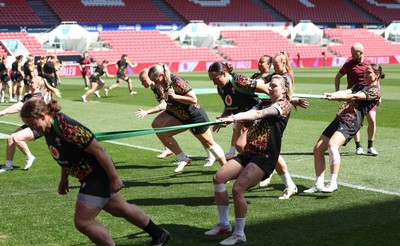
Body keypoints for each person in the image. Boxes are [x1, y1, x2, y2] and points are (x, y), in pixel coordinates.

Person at [19, 98, 171, 246]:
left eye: (33, 124)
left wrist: (114, 178)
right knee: (120, 209)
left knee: (83, 222)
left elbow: (99, 151)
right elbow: (64, 154)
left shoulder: (66, 128)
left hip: (97, 174)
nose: (33, 128)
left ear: (43, 116)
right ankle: (159, 234)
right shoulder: (48, 128)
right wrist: (63, 179)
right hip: (89, 175)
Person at [205, 75, 292, 245]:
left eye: (274, 85)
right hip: (249, 153)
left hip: (265, 157)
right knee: (218, 178)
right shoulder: (262, 102)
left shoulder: (283, 105)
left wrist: (235, 118)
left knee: (238, 189)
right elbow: (249, 113)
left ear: (284, 90)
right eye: (269, 84)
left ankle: (239, 234)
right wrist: (229, 118)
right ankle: (224, 225)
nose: (270, 87)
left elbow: (259, 114)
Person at [304, 63, 383, 193]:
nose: (365, 74)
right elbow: (347, 91)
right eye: (365, 72)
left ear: (377, 75)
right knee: (318, 149)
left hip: (351, 122)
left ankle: (333, 183)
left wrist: (338, 97)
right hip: (340, 118)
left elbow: (355, 96)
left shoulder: (375, 91)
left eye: (369, 72)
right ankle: (319, 184)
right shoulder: (359, 85)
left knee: (332, 144)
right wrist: (333, 94)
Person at [147, 63, 226, 173]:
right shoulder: (162, 84)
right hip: (181, 117)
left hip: (194, 116)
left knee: (209, 143)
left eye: (156, 79)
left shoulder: (177, 81)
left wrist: (175, 96)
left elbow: (193, 99)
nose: (155, 83)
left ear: (162, 74)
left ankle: (226, 168)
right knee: (163, 133)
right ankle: (184, 159)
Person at [0, 76, 60, 172]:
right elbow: (18, 105)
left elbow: (21, 107)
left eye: (31, 82)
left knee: (17, 138)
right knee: (10, 138)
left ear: (37, 86)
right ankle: (8, 165)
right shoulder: (28, 96)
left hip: (38, 127)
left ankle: (30, 156)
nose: (29, 83)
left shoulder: (37, 97)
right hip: (30, 125)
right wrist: (4, 111)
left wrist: (4, 112)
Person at [334, 42, 379, 156]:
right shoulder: (348, 64)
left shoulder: (369, 65)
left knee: (372, 120)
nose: (351, 55)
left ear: (361, 53)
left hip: (368, 96)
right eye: (351, 53)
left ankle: (370, 146)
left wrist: (379, 95)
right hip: (353, 97)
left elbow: (376, 80)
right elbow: (338, 76)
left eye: (354, 54)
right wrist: (337, 91)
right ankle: (358, 146)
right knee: (355, 122)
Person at [135, 68, 174, 159]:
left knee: (197, 131)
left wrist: (146, 112)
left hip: (178, 109)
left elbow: (163, 105)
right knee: (157, 124)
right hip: (172, 109)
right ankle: (168, 149)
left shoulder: (158, 86)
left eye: (144, 80)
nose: (142, 83)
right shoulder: (154, 87)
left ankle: (211, 154)